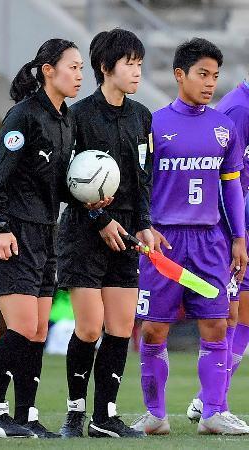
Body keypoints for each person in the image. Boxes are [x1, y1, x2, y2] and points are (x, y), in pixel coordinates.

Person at [131, 38, 249, 436]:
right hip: (163, 242)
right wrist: (143, 225)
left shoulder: (224, 127)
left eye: (215, 76)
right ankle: (155, 415)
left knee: (217, 325)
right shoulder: (153, 124)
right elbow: (139, 184)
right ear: (179, 75)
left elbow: (232, 187)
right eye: (202, 74)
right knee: (153, 329)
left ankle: (214, 412)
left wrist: (239, 238)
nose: (210, 83)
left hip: (210, 241)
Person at [0, 38, 90, 438]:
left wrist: (91, 196)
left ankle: (25, 415)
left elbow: (58, 186)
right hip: (16, 232)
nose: (80, 75)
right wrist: (0, 227)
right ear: (47, 70)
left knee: (39, 330)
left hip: (47, 234)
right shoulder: (22, 116)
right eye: (73, 67)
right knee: (22, 327)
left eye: (81, 68)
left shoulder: (66, 119)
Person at [58, 28, 153, 439]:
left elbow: (143, 178)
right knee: (90, 328)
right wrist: (101, 220)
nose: (136, 72)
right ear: (104, 67)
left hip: (127, 235)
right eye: (129, 64)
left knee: (119, 327)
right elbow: (65, 182)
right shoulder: (77, 116)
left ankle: (105, 416)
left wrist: (145, 225)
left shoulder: (141, 116)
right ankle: (75, 412)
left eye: (139, 65)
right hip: (84, 235)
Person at [187, 75, 249, 428]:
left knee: (242, 315)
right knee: (228, 315)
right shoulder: (239, 110)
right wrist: (235, 235)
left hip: (240, 222)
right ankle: (214, 404)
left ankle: (207, 400)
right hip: (226, 228)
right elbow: (227, 179)